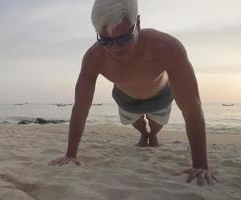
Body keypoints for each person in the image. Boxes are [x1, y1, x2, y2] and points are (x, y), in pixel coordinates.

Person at [50, 0, 218, 185]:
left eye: (123, 39)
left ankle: (152, 134)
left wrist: (200, 164)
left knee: (156, 125)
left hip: (160, 96)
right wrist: (70, 155)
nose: (115, 48)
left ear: (137, 23)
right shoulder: (94, 57)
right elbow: (81, 107)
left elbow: (192, 107)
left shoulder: (166, 47)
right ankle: (143, 134)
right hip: (125, 98)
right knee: (134, 121)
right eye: (105, 40)